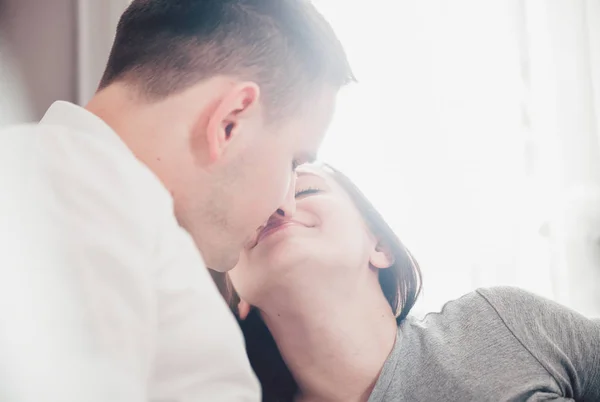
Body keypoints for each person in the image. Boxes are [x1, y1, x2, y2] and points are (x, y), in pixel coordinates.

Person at [0, 1, 353, 401]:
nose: (285, 205)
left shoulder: (83, 192)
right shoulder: (86, 189)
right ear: (230, 121)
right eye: (293, 161)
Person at [224, 164, 600, 402]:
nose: (281, 207)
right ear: (235, 294)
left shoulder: (496, 322)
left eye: (306, 190)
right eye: (253, 209)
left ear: (380, 246)